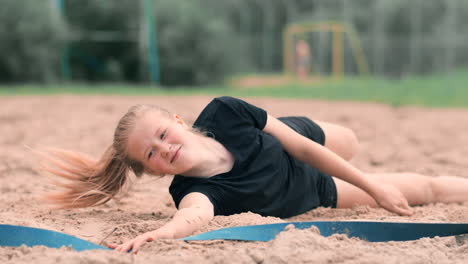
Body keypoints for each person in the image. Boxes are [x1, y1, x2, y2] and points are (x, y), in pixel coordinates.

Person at [41, 96, 468, 254]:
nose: (164, 148)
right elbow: (193, 216)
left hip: (293, 140)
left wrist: (372, 183)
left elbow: (302, 148)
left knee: (351, 142)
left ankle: (362, 166)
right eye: (151, 153)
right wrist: (159, 235)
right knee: (423, 187)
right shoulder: (191, 189)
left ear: (178, 119)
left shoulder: (226, 111)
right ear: (150, 169)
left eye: (163, 134)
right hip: (315, 191)